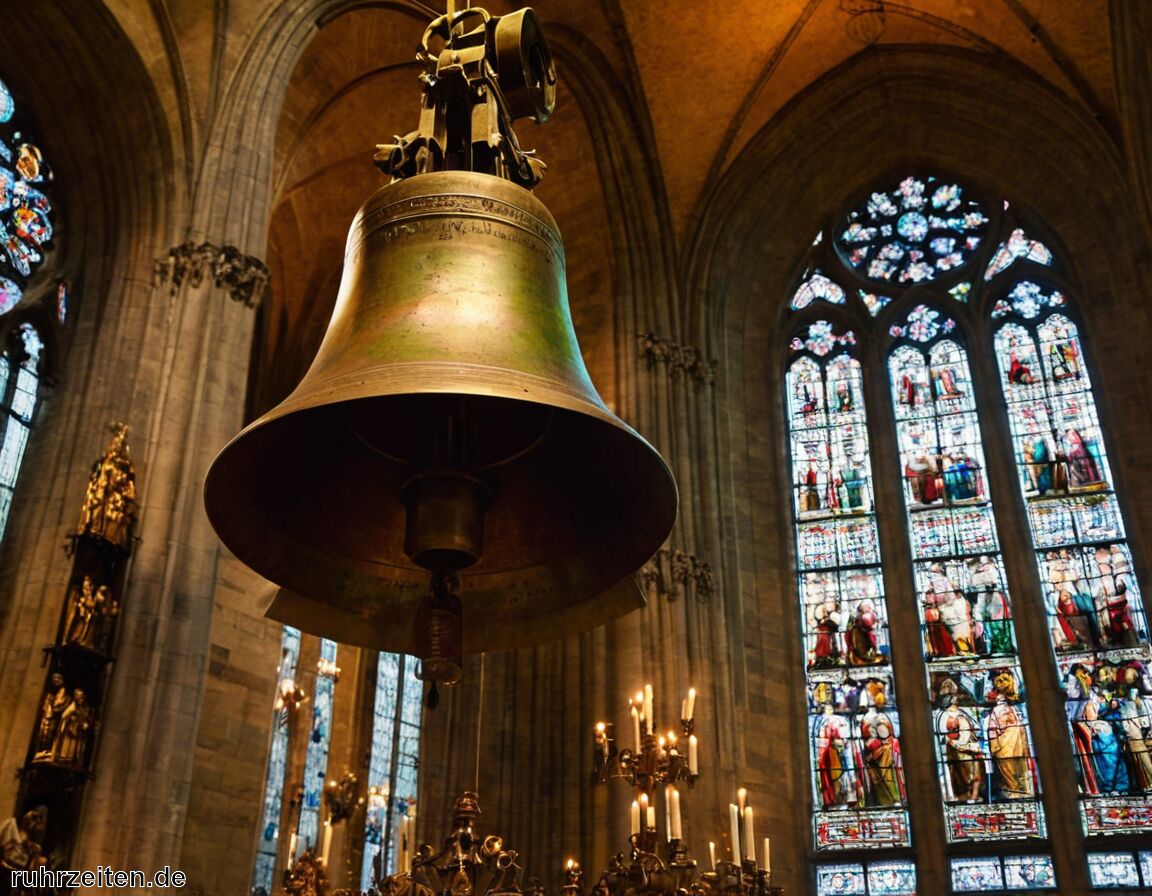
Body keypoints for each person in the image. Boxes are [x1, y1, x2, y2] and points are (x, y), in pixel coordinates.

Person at [985, 675, 1035, 800]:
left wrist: (994, 747)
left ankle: (1018, 794)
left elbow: (992, 732)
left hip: (1005, 747)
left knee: (1010, 775)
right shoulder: (1013, 710)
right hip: (1016, 746)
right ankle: (1022, 793)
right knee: (1019, 773)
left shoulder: (997, 711)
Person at [860, 694, 903, 806]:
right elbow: (868, 740)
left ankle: (896, 800)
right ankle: (890, 802)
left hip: (889, 753)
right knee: (882, 780)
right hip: (878, 757)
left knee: (891, 777)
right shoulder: (868, 719)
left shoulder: (886, 717)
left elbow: (890, 734)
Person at [939, 697, 984, 802]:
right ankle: (967, 796)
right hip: (956, 750)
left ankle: (973, 796)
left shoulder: (963, 713)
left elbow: (973, 728)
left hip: (968, 749)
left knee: (975, 775)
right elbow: (944, 735)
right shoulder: (944, 716)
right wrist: (955, 742)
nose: (955, 701)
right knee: (963, 776)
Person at [814, 704, 857, 808]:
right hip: (831, 756)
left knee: (844, 777)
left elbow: (843, 740)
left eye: (831, 709)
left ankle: (845, 799)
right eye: (828, 709)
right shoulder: (823, 723)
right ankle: (835, 800)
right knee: (835, 779)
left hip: (840, 756)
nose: (830, 711)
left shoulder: (837, 721)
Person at [0, 806, 47, 875]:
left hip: (17, 874)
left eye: (40, 819)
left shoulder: (34, 846)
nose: (35, 822)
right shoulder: (11, 825)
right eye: (34, 817)